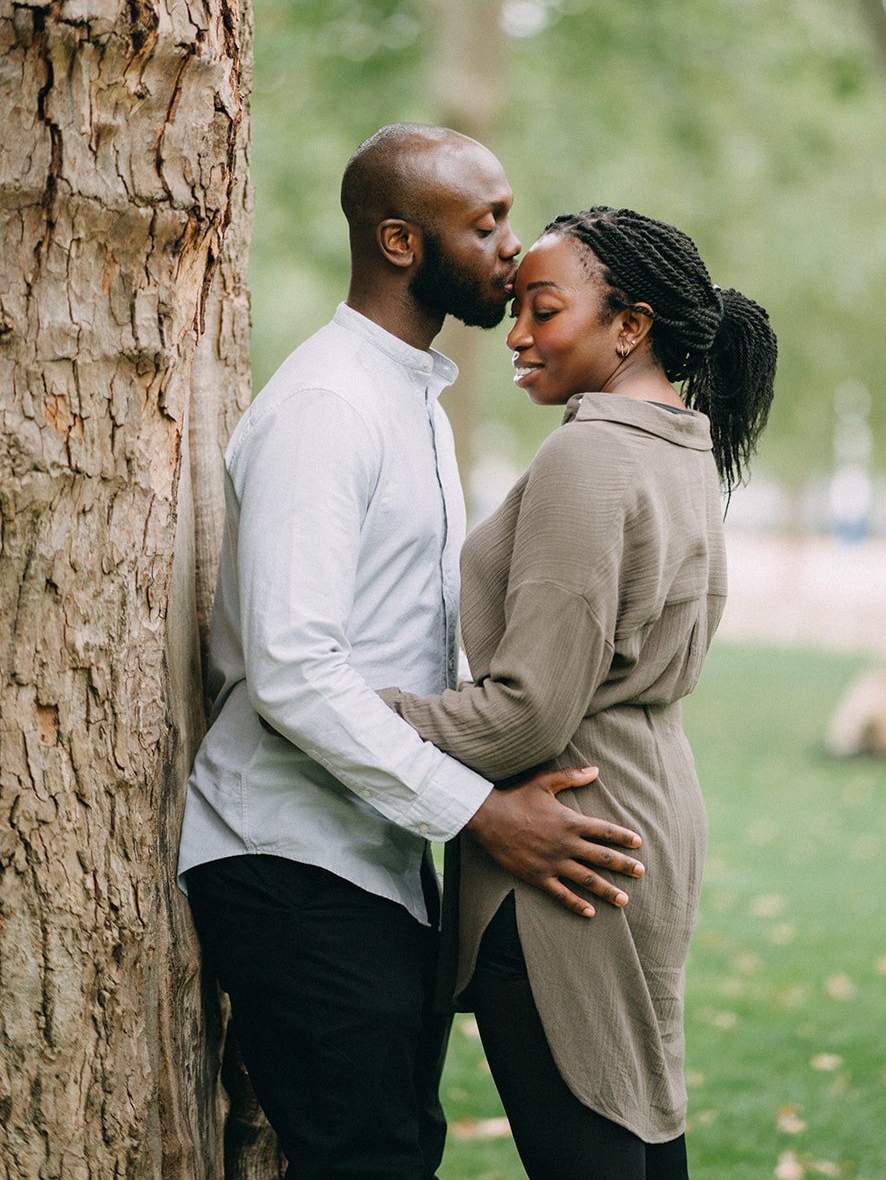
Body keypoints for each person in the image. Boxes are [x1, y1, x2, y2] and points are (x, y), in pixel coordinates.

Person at [177, 131, 646, 1180]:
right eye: (483, 223)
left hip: (377, 862)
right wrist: (481, 813)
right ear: (399, 240)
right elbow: (290, 667)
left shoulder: (412, 407)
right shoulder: (326, 407)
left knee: (393, 1151)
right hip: (289, 857)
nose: (510, 248)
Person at [382, 206, 778, 1180]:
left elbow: (525, 713)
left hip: (566, 839)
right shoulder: (682, 443)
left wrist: (349, 711)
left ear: (629, 324)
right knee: (634, 1124)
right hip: (645, 812)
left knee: (592, 1144)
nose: (515, 333)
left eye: (543, 308)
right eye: (516, 307)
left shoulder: (589, 454)